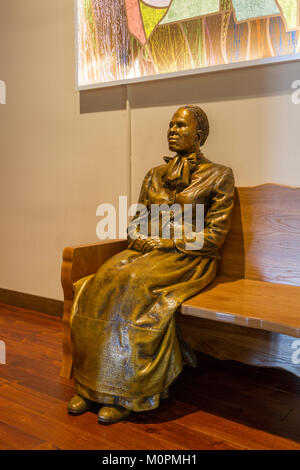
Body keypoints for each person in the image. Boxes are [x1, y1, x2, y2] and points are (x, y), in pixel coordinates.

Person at [68, 105, 235, 424]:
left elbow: (214, 235)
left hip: (190, 258)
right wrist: (140, 236)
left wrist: (167, 241)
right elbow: (135, 222)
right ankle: (91, 386)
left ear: (199, 135)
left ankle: (128, 392)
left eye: (181, 126)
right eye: (170, 125)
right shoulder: (154, 175)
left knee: (135, 284)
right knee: (101, 279)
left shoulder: (219, 175)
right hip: (148, 253)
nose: (172, 130)